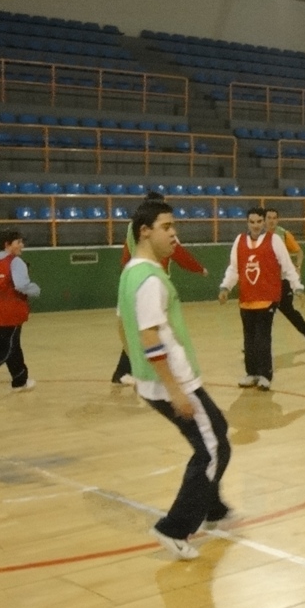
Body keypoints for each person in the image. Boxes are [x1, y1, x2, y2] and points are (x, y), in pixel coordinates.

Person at [117, 195, 234, 560]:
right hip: (175, 383)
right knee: (214, 448)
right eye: (167, 227)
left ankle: (213, 508)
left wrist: (138, 370)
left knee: (215, 432)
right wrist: (172, 389)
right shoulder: (150, 279)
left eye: (174, 227)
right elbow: (149, 336)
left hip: (161, 380)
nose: (174, 235)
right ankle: (174, 527)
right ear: (145, 231)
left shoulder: (130, 272)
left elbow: (122, 324)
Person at [112, 192, 208, 386]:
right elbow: (179, 253)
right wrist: (199, 269)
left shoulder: (134, 227)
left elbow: (125, 256)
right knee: (156, 330)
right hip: (150, 284)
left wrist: (127, 281)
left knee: (138, 328)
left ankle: (125, 371)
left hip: (132, 282)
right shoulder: (157, 232)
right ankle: (161, 375)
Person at [218, 207, 303, 391]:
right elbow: (234, 268)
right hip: (246, 299)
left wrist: (297, 287)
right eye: (252, 222)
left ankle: (265, 374)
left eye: (259, 222)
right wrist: (225, 287)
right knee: (249, 338)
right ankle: (251, 373)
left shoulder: (275, 241)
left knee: (262, 337)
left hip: (268, 298)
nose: (256, 225)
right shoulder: (239, 241)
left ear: (264, 222)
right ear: (247, 223)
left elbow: (287, 267)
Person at [0, 229, 41, 392]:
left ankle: (20, 380)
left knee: (12, 345)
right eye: (18, 242)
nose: (22, 245)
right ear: (7, 245)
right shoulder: (16, 262)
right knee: (3, 348)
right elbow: (21, 285)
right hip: (10, 310)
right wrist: (36, 289)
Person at [265, 207, 305, 349]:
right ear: (264, 220)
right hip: (265, 282)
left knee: (288, 311)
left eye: (274, 218)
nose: (271, 221)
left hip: (282, 280)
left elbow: (299, 252)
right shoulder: (259, 236)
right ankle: (258, 343)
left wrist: (298, 268)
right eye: (269, 218)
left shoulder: (283, 235)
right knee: (263, 313)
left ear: (278, 220)